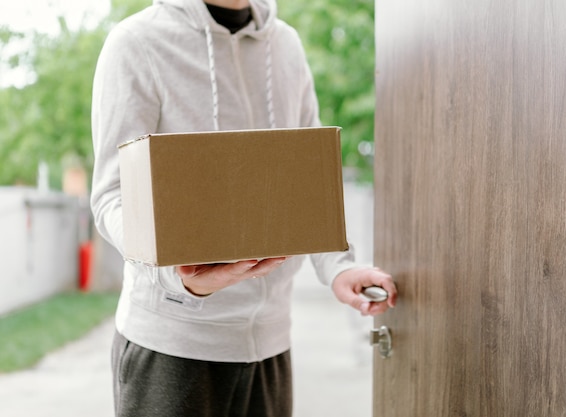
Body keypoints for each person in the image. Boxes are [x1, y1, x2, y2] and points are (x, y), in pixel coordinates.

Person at [90, 0, 397, 415]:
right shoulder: (137, 42)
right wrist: (182, 279)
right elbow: (113, 195)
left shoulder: (286, 45)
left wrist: (338, 267)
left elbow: (306, 184)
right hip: (172, 346)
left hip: (270, 347)